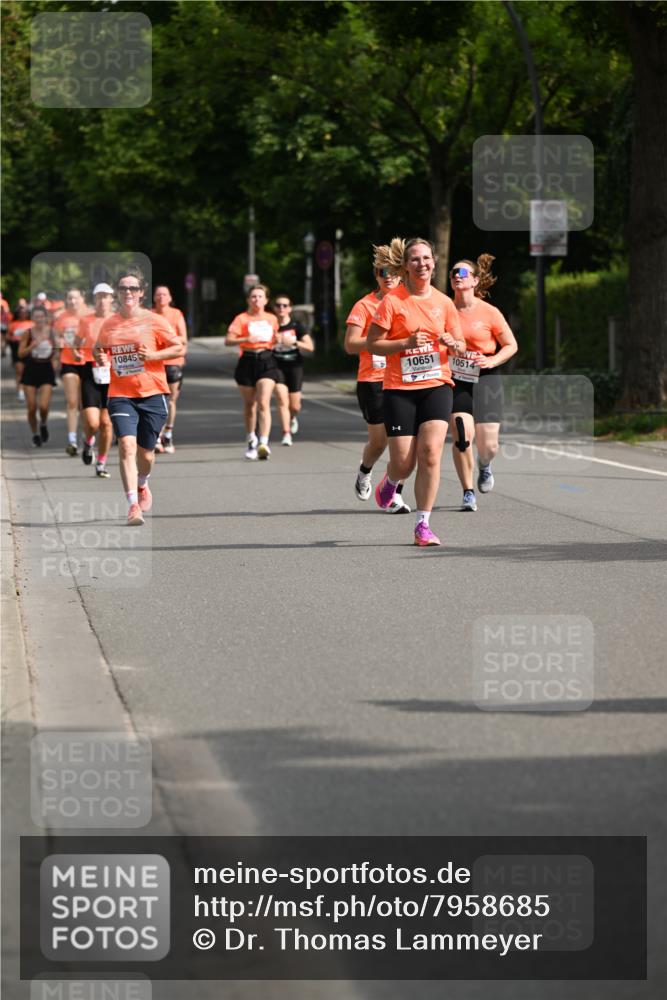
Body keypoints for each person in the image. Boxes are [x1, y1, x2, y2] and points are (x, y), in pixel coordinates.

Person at [366, 237, 464, 546]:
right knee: (405, 463)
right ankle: (392, 480)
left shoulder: (444, 303)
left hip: (437, 384)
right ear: (406, 266)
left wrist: (453, 344)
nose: (422, 264)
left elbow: (460, 346)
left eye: (426, 258)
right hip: (399, 389)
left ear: (434, 263)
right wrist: (405, 343)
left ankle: (423, 524)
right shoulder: (392, 301)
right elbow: (372, 344)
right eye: (415, 259)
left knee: (431, 453)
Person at [93, 267, 185, 525]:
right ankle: (133, 504)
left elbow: (178, 346)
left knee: (146, 455)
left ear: (141, 293)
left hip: (152, 392)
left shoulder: (154, 320)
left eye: (133, 288)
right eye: (123, 288)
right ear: (117, 293)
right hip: (121, 393)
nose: (128, 292)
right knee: (126, 445)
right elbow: (98, 348)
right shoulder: (110, 323)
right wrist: (100, 356)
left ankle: (143, 483)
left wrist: (154, 356)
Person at [344, 245, 410, 514]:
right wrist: (381, 342)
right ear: (376, 275)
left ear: (401, 275)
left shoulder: (409, 302)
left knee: (405, 442)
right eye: (383, 272)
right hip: (373, 380)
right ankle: (365, 471)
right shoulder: (365, 305)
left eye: (393, 272)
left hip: (405, 379)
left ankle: (394, 494)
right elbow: (350, 345)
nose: (388, 277)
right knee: (380, 442)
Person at [449, 255, 518, 510]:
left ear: (475, 281)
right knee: (461, 434)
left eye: (463, 273)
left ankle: (485, 465)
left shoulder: (489, 312)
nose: (457, 276)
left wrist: (493, 361)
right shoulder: (444, 308)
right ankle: (467, 491)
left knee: (488, 445)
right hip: (456, 377)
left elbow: (511, 345)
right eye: (454, 272)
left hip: (485, 376)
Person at [225, 284, 282, 460]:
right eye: (253, 296)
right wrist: (245, 339)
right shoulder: (241, 318)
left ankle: (264, 442)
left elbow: (276, 339)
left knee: (263, 402)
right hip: (247, 360)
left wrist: (279, 339)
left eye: (260, 296)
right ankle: (251, 439)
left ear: (266, 300)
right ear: (248, 300)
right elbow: (228, 340)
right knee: (250, 405)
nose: (256, 299)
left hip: (267, 360)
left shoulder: (272, 318)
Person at [75, 283, 115, 478]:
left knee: (107, 423)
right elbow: (75, 344)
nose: (102, 300)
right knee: (92, 423)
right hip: (90, 371)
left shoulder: (118, 320)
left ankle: (101, 463)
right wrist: (76, 354)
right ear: (94, 299)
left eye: (106, 296)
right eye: (99, 296)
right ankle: (88, 441)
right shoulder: (86, 320)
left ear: (111, 299)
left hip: (113, 373)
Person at [53, 286, 91, 455]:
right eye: (69, 298)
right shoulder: (61, 318)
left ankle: (87, 438)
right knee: (72, 402)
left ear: (82, 299)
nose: (72, 301)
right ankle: (72, 441)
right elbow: (56, 337)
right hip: (68, 361)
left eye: (75, 298)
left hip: (88, 362)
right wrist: (59, 342)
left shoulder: (90, 315)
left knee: (85, 404)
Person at [271, 295, 314, 445]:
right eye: (278, 305)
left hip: (295, 366)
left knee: (295, 406)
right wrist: (272, 340)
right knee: (282, 400)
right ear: (274, 308)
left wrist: (294, 342)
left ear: (289, 308)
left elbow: (310, 347)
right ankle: (286, 433)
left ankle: (292, 417)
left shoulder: (297, 326)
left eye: (284, 305)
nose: (281, 308)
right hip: (276, 366)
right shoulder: (271, 325)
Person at [152, 285, 188, 453]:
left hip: (173, 362)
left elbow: (183, 338)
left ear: (170, 298)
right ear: (154, 298)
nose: (161, 297)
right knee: (156, 401)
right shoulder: (150, 315)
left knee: (171, 400)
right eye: (158, 294)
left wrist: (166, 338)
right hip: (154, 363)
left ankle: (168, 434)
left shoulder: (176, 314)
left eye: (164, 294)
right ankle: (156, 436)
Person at [17, 304, 58, 446]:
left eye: (42, 316)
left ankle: (43, 424)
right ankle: (35, 433)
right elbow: (20, 354)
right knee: (32, 407)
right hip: (31, 369)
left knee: (44, 406)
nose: (39, 319)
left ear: (46, 318)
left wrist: (55, 361)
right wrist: (32, 346)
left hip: (46, 369)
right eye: (36, 317)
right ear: (32, 318)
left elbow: (58, 349)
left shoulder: (52, 332)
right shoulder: (28, 333)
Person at [7, 304, 32, 400]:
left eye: (25, 312)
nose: (23, 314)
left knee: (28, 370)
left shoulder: (31, 323)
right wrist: (13, 338)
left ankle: (28, 388)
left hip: (29, 350)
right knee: (19, 370)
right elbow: (8, 336)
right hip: (17, 349)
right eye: (21, 313)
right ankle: (20, 391)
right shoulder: (13, 324)